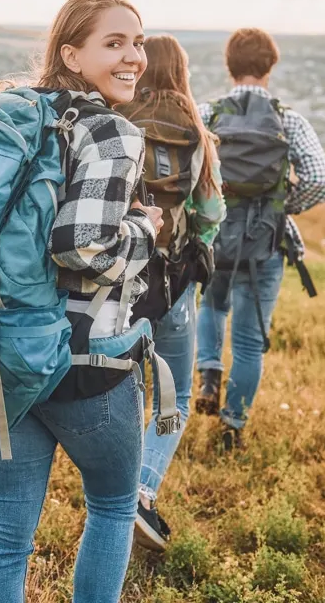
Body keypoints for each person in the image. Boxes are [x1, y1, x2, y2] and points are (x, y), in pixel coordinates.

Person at [0, 0, 163, 603]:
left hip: (7, 353)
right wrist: (144, 233)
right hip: (87, 360)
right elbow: (80, 248)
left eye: (138, 42)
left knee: (4, 534)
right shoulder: (112, 132)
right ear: (72, 54)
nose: (134, 56)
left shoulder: (17, 113)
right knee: (110, 507)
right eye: (115, 43)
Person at [195, 27, 325, 451]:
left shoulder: (207, 113)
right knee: (251, 341)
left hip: (215, 237)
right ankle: (232, 427)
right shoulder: (289, 119)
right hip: (265, 245)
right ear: (270, 66)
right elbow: (321, 181)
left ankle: (208, 374)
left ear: (229, 66)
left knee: (212, 305)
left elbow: (188, 170)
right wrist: (279, 207)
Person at [114, 35, 225, 551]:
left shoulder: (115, 118)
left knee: (124, 386)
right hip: (173, 279)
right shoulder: (196, 131)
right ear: (181, 70)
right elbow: (212, 213)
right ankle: (140, 490)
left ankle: (114, 489)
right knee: (174, 394)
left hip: (115, 278)